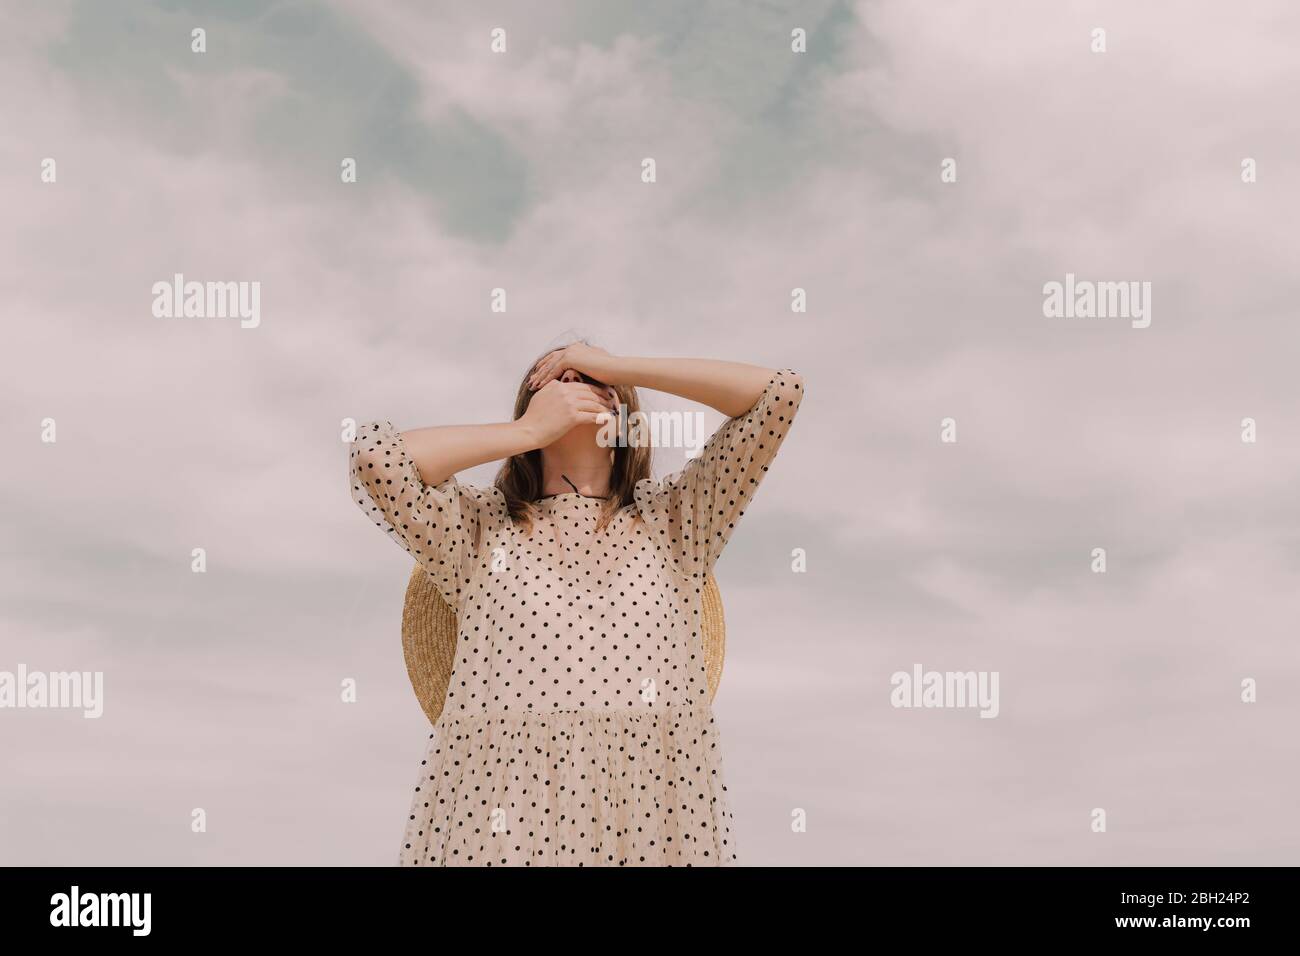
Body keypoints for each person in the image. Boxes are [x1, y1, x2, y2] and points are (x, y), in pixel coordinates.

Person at [350, 341, 804, 866]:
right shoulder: (477, 529)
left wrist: (619, 366)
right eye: (557, 379)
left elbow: (779, 393)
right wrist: (525, 433)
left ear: (623, 415)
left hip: (649, 817)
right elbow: (374, 458)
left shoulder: (679, 520)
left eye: (591, 377)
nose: (577, 382)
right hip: (502, 815)